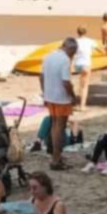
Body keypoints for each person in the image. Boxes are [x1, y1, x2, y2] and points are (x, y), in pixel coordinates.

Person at [40, 37, 77, 170]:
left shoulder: (48, 56)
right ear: (70, 49)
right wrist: (73, 96)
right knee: (59, 128)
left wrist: (45, 93)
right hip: (61, 98)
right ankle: (56, 160)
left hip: (50, 96)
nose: (73, 56)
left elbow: (41, 76)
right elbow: (66, 82)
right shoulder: (65, 60)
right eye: (73, 53)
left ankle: (56, 156)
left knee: (54, 125)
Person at [72, 26, 94, 110]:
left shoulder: (75, 41)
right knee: (84, 86)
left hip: (77, 64)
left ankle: (76, 102)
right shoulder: (90, 41)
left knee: (80, 83)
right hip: (86, 64)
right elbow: (99, 50)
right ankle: (82, 106)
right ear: (86, 32)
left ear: (78, 32)